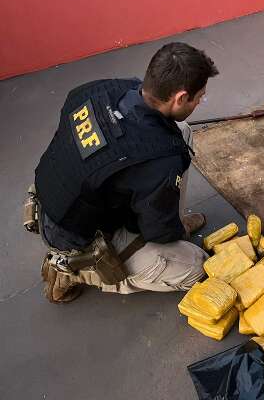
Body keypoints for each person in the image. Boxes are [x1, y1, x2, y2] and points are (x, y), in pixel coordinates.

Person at [33, 42, 218, 303]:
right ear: (179, 98)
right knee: (197, 267)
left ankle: (163, 216)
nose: (200, 102)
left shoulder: (101, 88)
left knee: (181, 134)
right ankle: (77, 270)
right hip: (75, 236)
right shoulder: (158, 158)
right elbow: (158, 233)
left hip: (60, 195)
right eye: (200, 97)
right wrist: (167, 230)